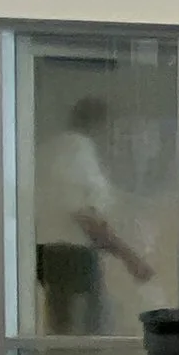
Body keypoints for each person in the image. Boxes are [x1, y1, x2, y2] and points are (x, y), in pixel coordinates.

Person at [33, 93, 155, 333]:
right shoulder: (77, 150)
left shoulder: (53, 150)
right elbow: (85, 216)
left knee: (64, 325)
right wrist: (130, 258)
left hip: (51, 253)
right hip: (69, 254)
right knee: (87, 328)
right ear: (100, 124)